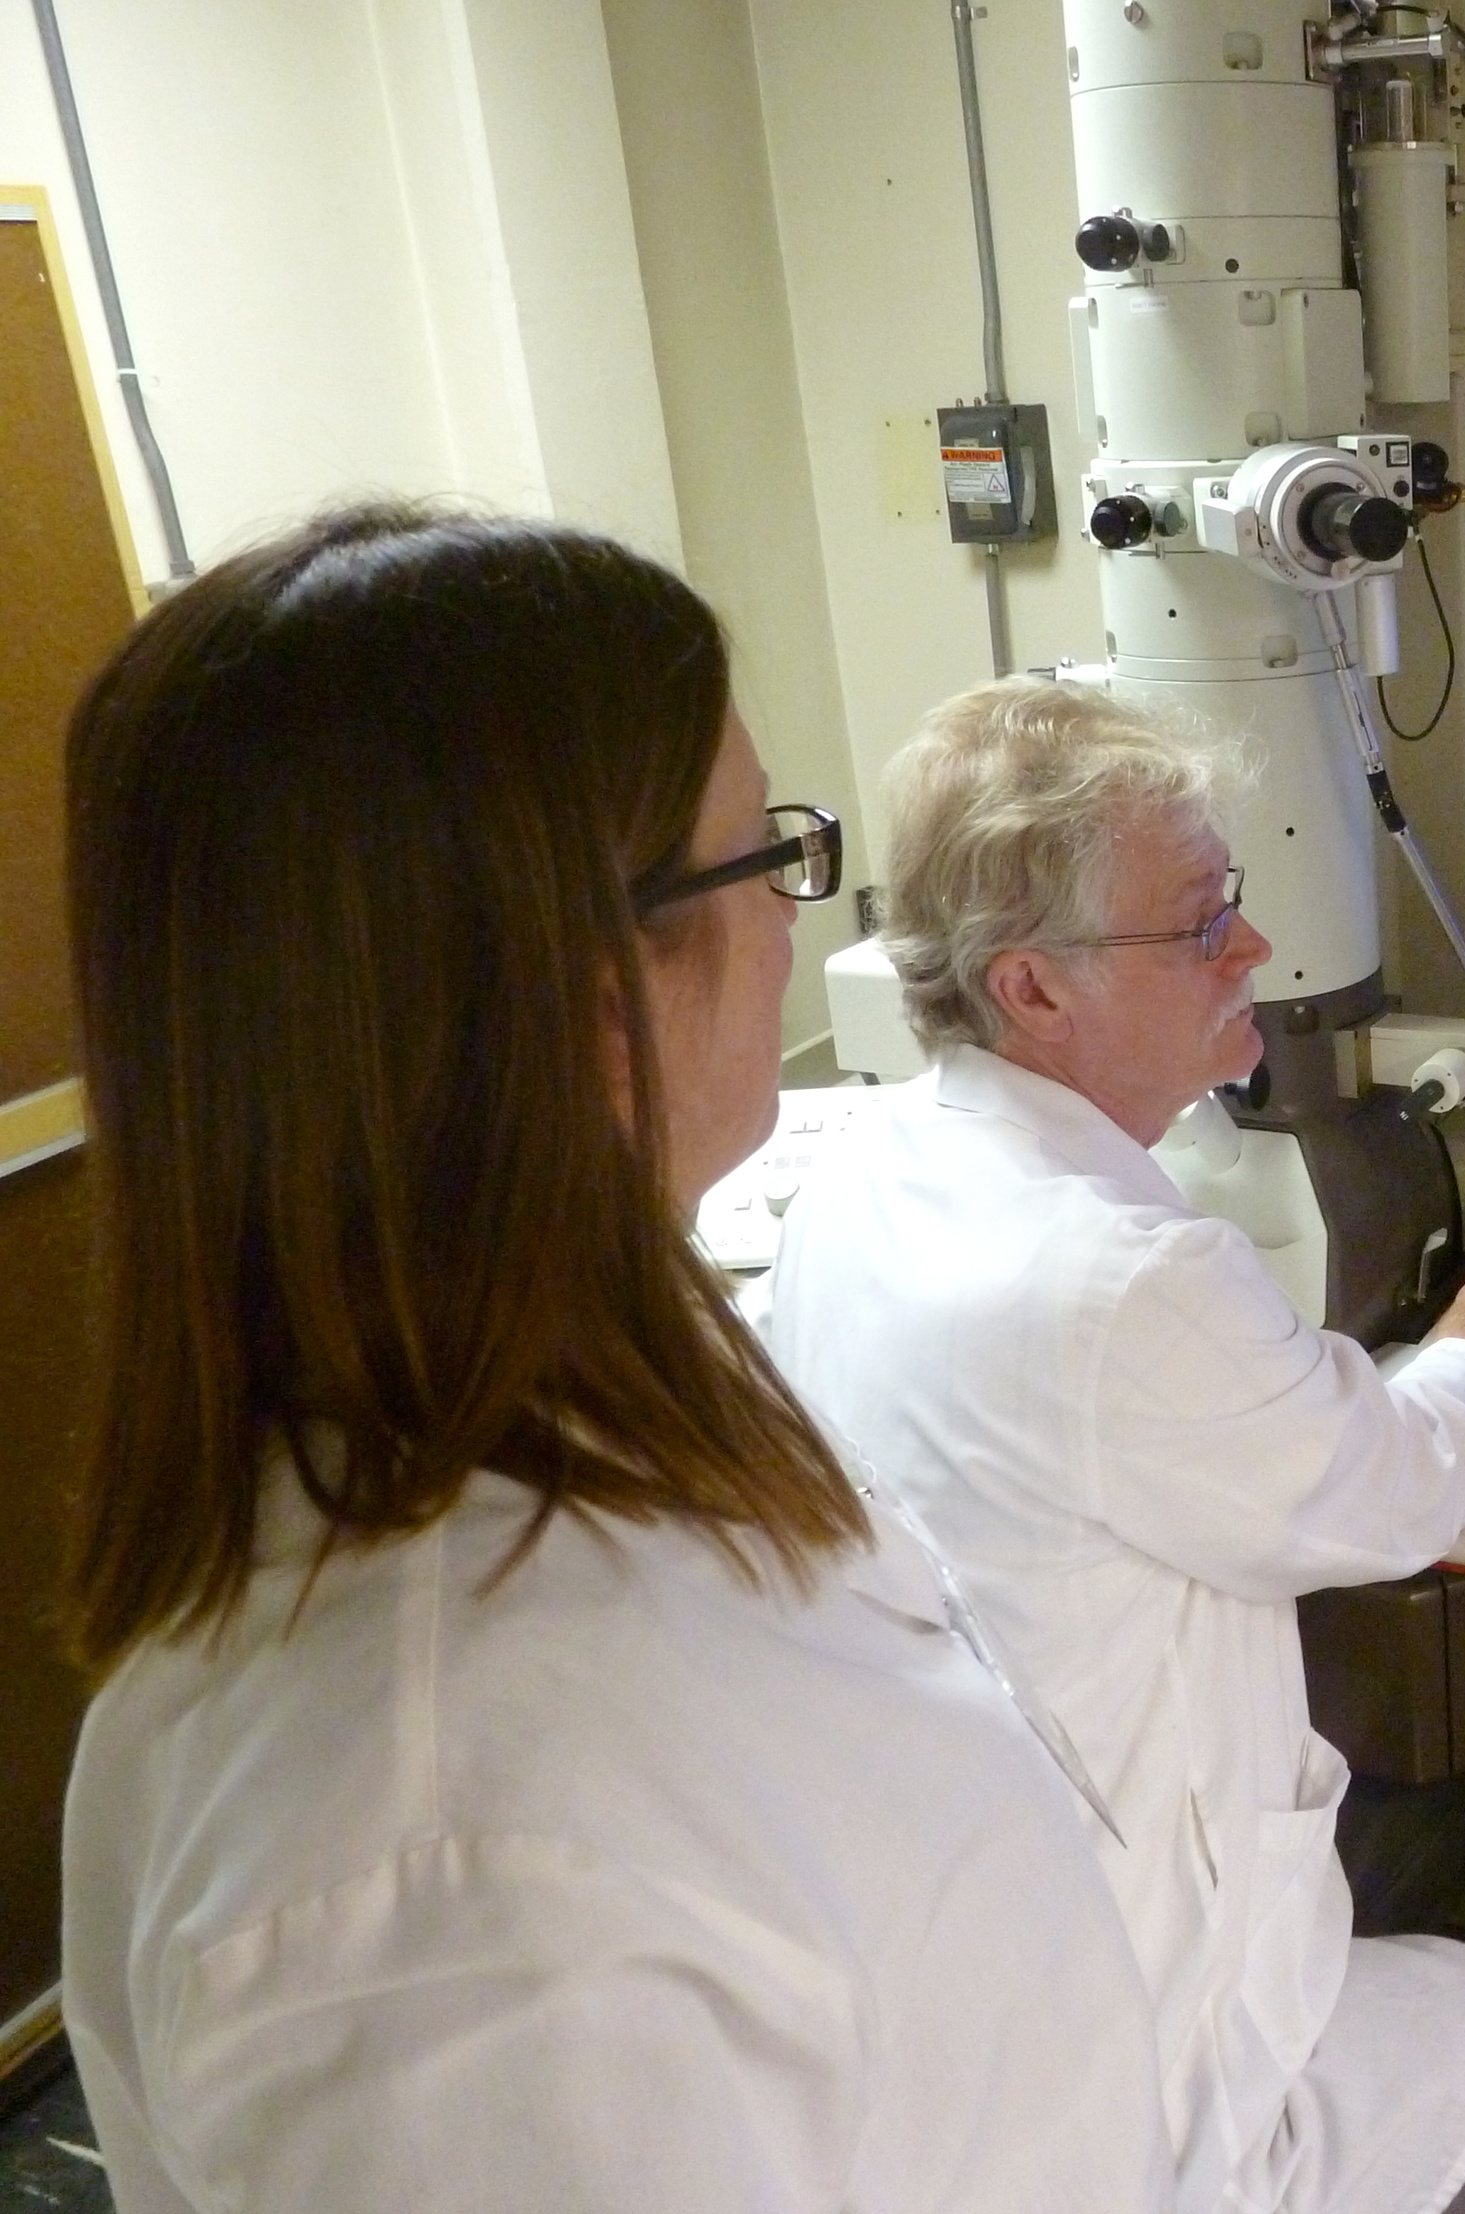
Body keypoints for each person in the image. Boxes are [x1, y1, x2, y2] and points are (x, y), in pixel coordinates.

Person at [56, 507, 1170, 2213]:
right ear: (581, 992)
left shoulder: (586, 1371)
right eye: (768, 861)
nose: (801, 925)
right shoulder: (459, 1893)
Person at [759, 677, 1465, 2214]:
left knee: (1442, 1815)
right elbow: (1393, 1489)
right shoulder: (1123, 1283)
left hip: (976, 1991)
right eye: (1199, 922)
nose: (1256, 952)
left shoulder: (859, 1166)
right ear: (1033, 988)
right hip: (1163, 2096)